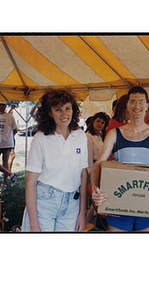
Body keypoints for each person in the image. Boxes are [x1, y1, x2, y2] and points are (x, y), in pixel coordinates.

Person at [91, 86, 149, 232]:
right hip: (119, 199)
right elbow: (98, 164)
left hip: (147, 200)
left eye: (141, 102)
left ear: (147, 105)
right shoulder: (115, 133)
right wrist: (96, 190)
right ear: (127, 105)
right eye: (133, 102)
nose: (137, 106)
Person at [21, 89, 88, 232]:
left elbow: (83, 175)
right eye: (58, 110)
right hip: (45, 202)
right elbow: (31, 183)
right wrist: (34, 225)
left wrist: (82, 214)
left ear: (73, 110)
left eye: (67, 109)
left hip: (72, 205)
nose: (64, 114)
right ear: (50, 113)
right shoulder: (40, 138)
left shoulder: (81, 136)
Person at [0, 99, 18, 191]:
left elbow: (15, 129)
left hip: (6, 143)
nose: (1, 106)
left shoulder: (10, 116)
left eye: (3, 105)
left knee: (5, 164)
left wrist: (8, 137)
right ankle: (11, 175)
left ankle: (4, 184)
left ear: (5, 106)